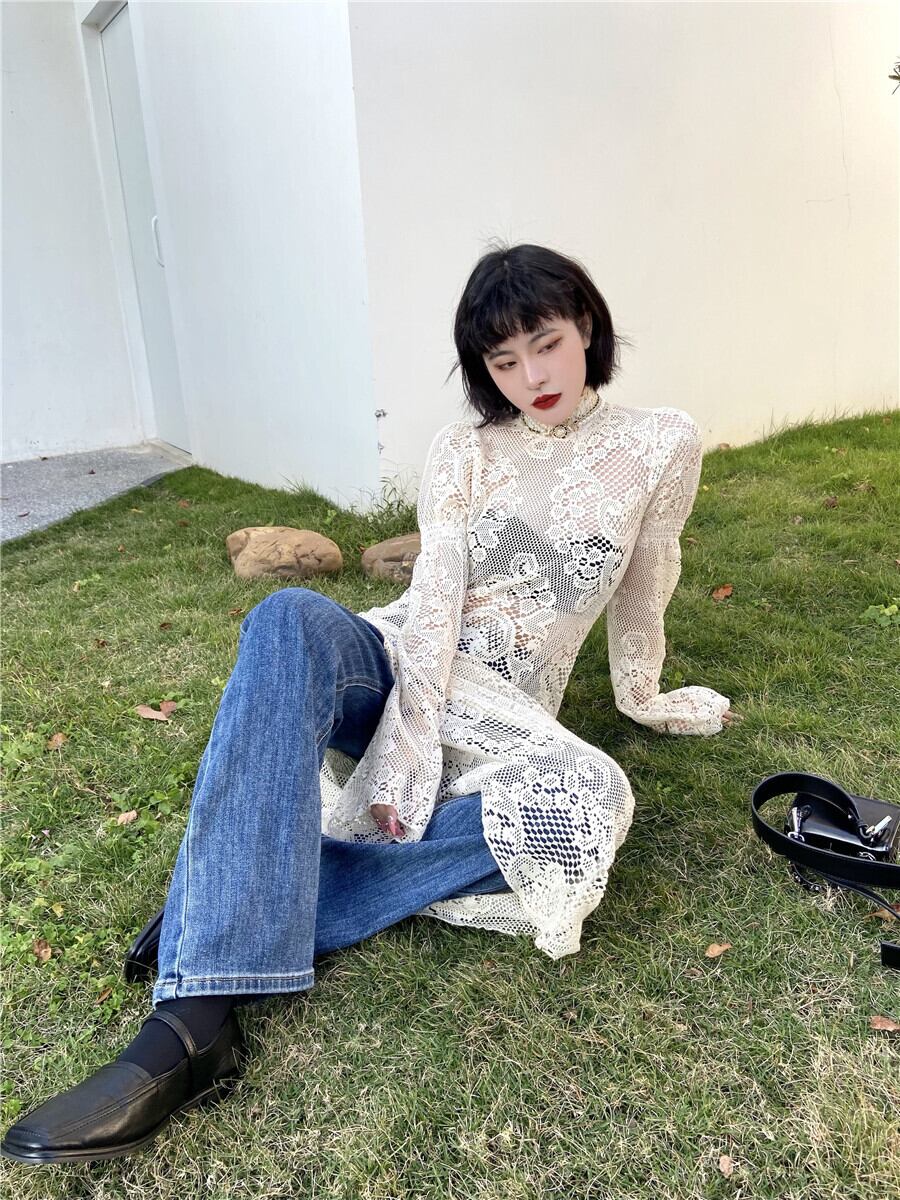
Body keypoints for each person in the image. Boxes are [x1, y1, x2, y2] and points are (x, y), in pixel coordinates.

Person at [2, 242, 738, 1166]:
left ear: (586, 325)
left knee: (592, 798)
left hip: (505, 712)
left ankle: (236, 890)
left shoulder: (661, 443)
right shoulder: (465, 451)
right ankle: (191, 1027)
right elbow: (432, 604)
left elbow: (646, 584)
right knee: (289, 618)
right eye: (503, 361)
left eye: (546, 344)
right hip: (401, 660)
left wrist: (644, 697)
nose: (532, 377)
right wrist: (404, 753)